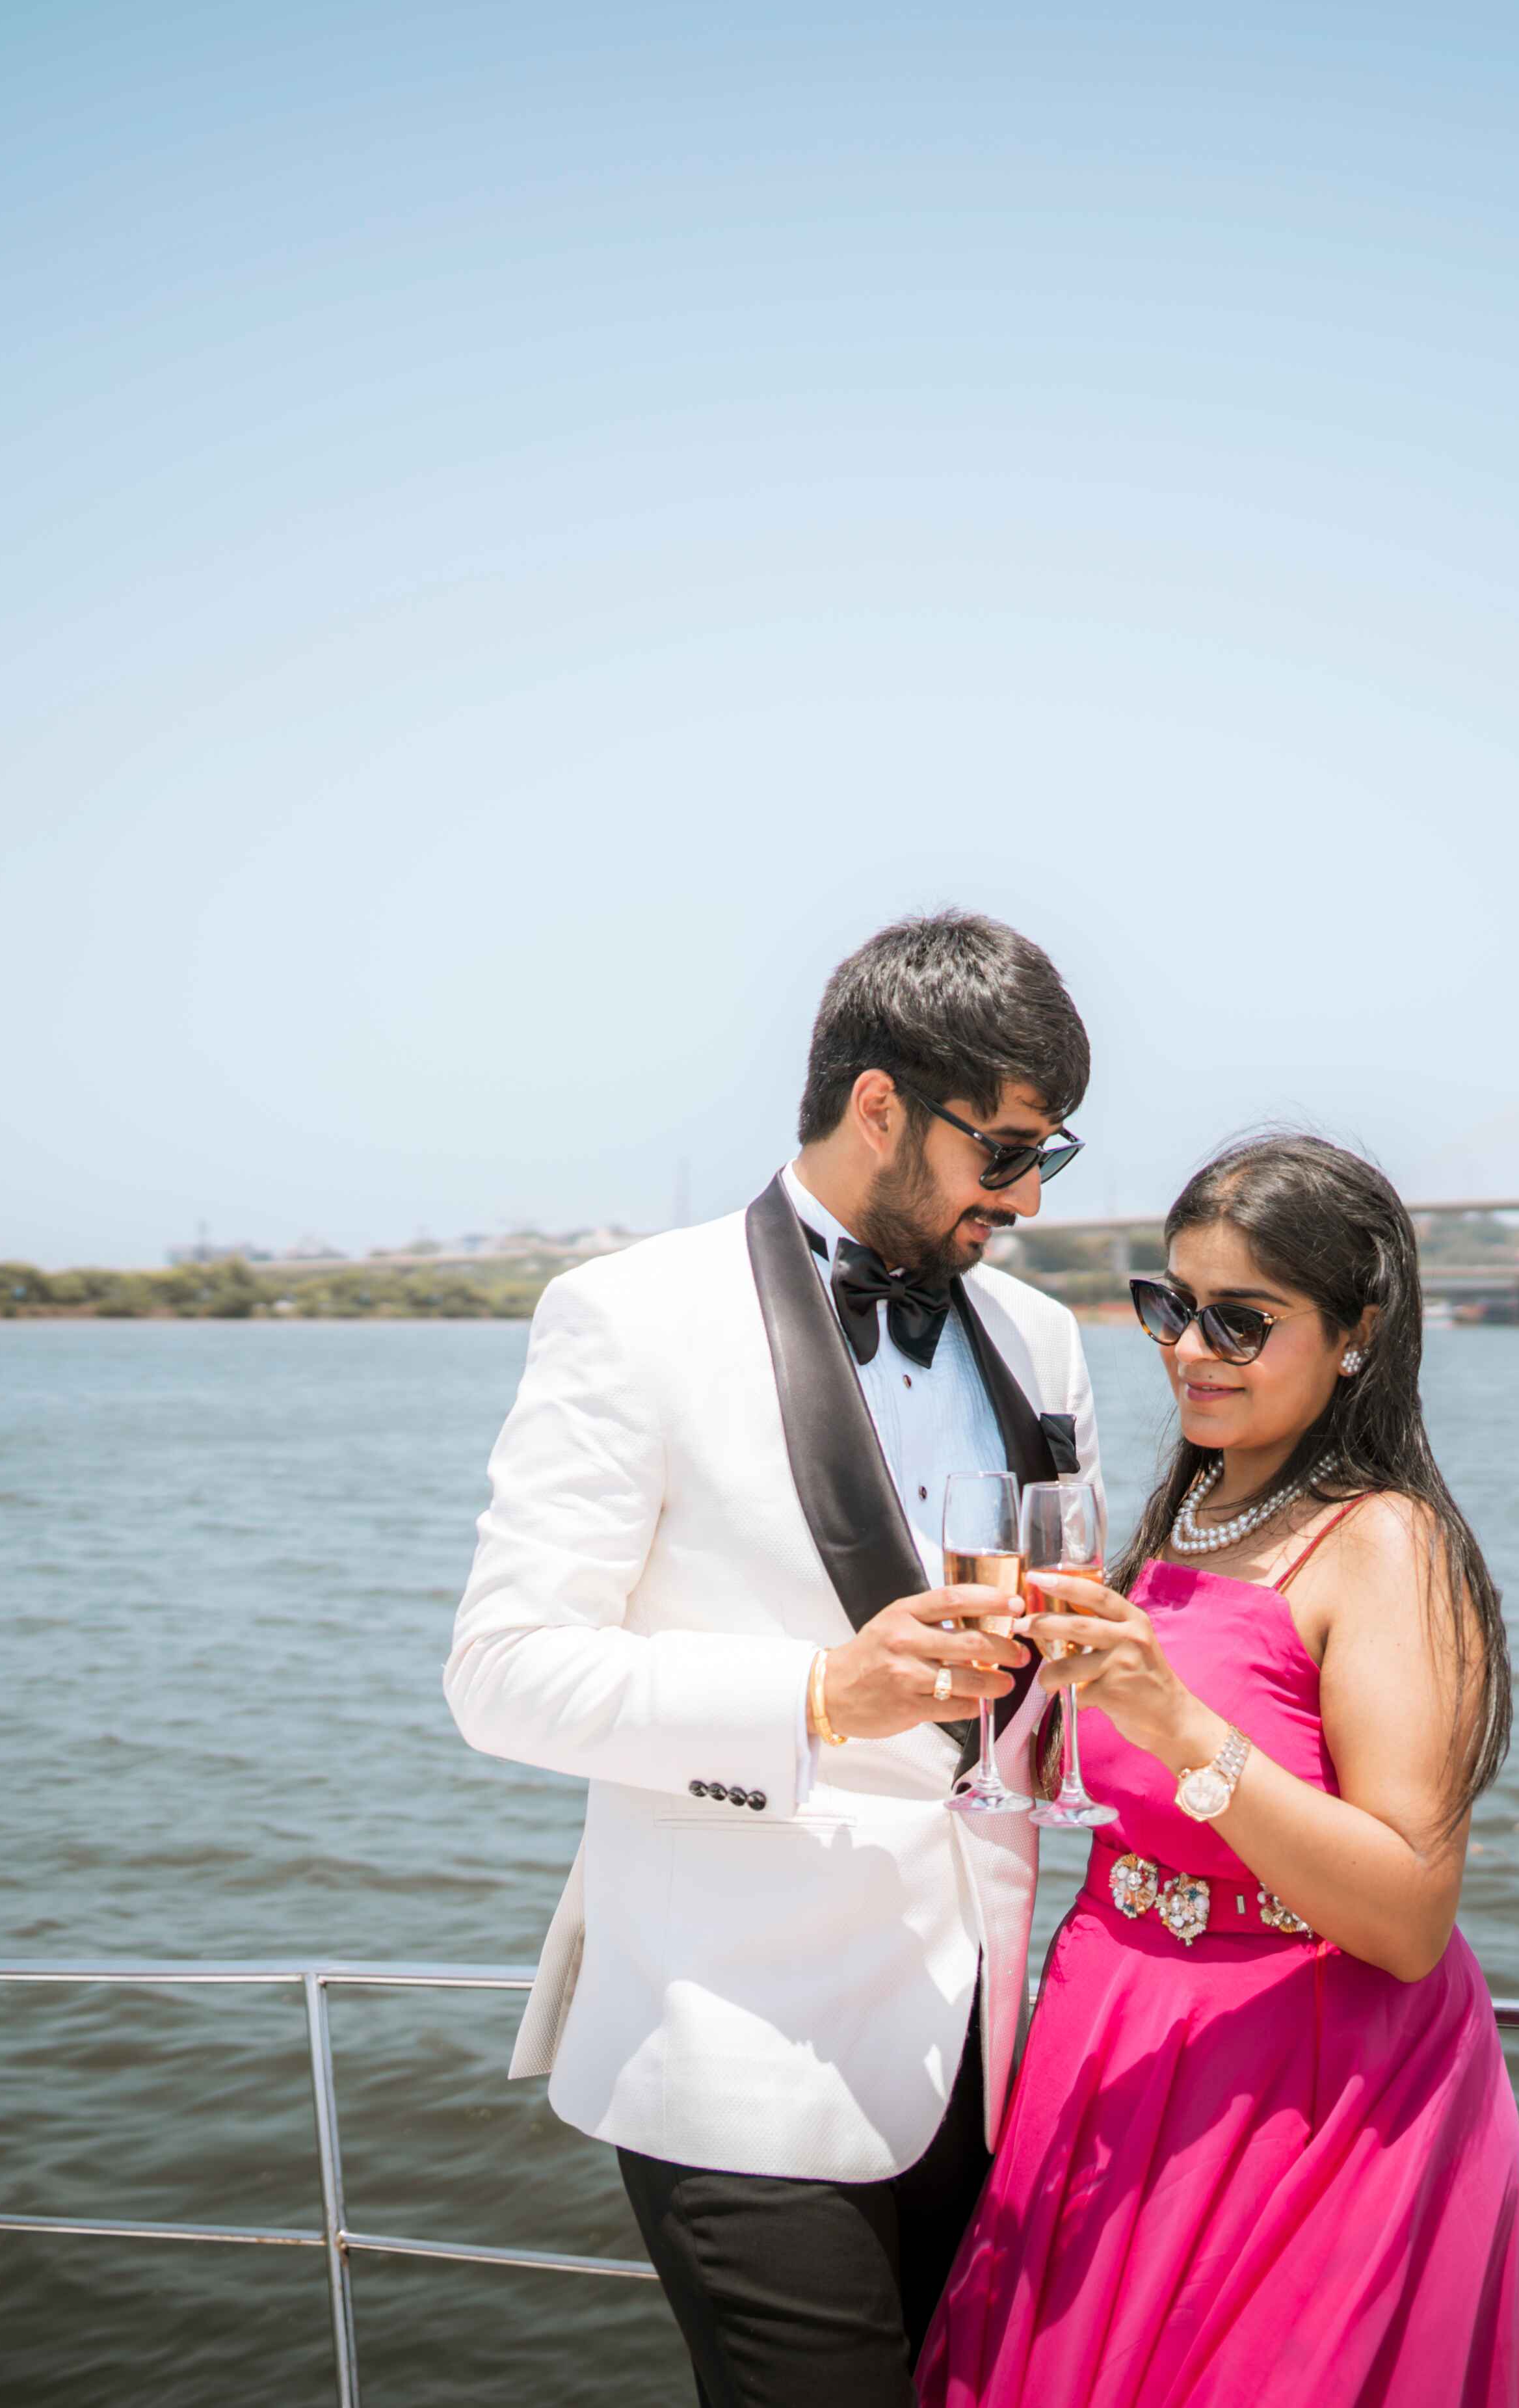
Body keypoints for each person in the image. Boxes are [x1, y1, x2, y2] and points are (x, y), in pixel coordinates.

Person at [445, 911, 1103, 2408]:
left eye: (1044, 1157)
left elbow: (1052, 1687)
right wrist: (817, 1695)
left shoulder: (1044, 1340)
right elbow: (501, 1671)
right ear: (880, 1104)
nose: (1022, 1195)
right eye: (1001, 1149)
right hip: (734, 2041)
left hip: (989, 2056)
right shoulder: (630, 1314)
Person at [920, 1131, 1519, 2407]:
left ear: (1355, 1330)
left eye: (1241, 1321)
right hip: (1114, 2029)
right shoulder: (1182, 1512)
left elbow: (1411, 1914)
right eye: (1170, 1305)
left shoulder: (1386, 1544)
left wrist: (1176, 1719)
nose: (1188, 1350)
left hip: (1303, 2081)